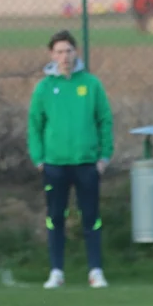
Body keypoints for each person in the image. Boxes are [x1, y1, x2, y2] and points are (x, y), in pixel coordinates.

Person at [27, 30, 113, 290]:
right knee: (55, 217)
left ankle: (95, 271)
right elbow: (34, 125)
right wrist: (39, 158)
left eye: (69, 51)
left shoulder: (91, 84)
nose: (65, 56)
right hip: (54, 165)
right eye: (59, 52)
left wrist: (104, 156)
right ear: (52, 55)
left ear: (76, 53)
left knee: (91, 218)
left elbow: (104, 121)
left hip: (86, 163)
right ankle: (56, 272)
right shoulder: (44, 88)